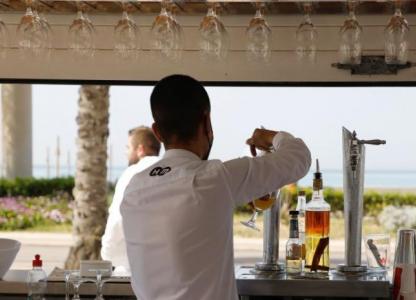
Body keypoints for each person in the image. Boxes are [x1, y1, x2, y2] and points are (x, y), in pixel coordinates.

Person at [120, 75, 312, 300]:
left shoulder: (133, 188)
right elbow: (299, 157)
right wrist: (271, 137)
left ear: (158, 132)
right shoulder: (215, 179)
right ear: (207, 122)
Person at [100, 126, 161, 275]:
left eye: (128, 147)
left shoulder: (131, 173)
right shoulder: (172, 170)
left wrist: (107, 253)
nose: (126, 152)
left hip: (134, 269)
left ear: (140, 149)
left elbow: (118, 218)